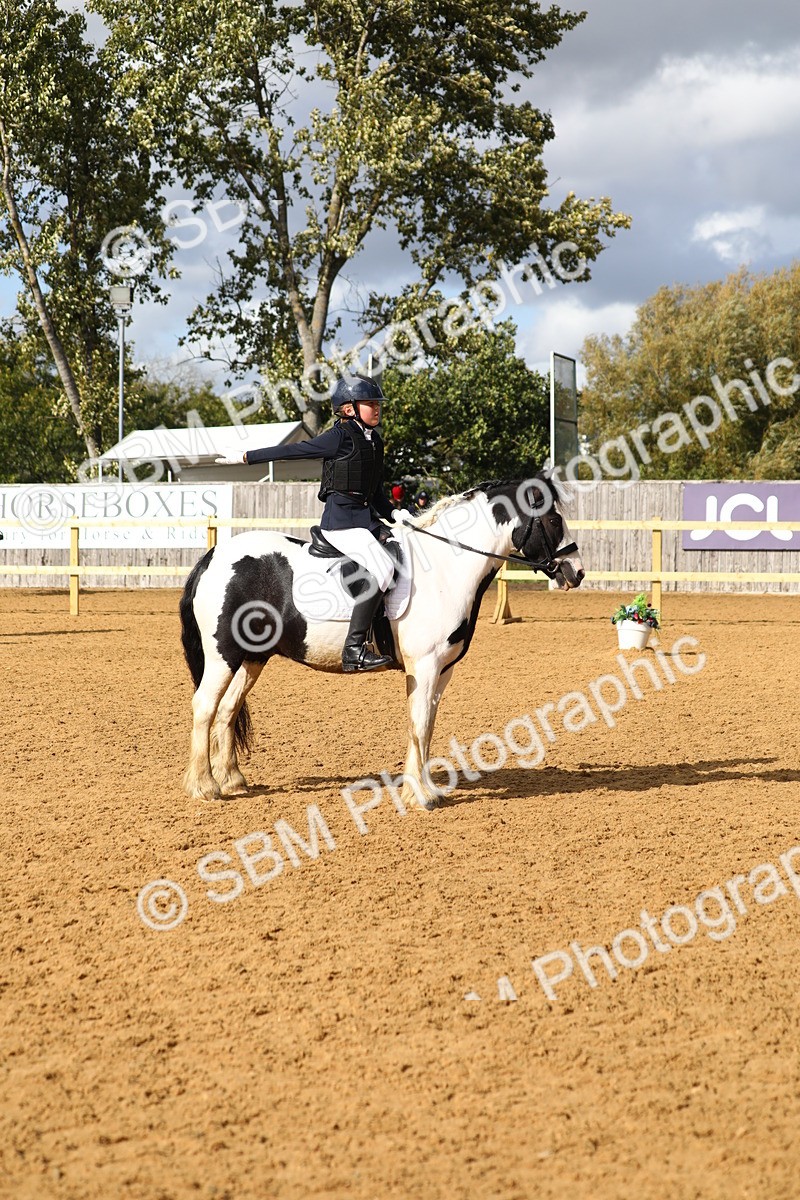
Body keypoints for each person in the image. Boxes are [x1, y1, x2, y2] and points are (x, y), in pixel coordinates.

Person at [216, 374, 403, 673]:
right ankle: (354, 649)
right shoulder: (339, 437)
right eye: (370, 403)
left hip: (367, 522)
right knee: (382, 569)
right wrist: (246, 457)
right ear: (349, 409)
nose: (377, 408)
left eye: (378, 403)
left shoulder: (374, 440)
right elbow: (291, 451)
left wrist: (395, 514)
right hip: (341, 524)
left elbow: (376, 491)